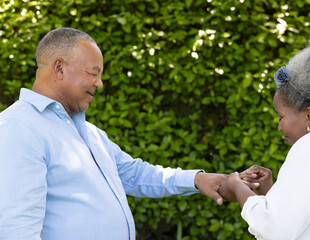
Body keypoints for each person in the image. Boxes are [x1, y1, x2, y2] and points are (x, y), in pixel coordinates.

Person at [0, 27, 228, 240]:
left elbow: (135, 174)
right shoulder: (19, 127)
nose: (99, 84)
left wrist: (197, 179)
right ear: (59, 68)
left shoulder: (90, 133)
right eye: (93, 73)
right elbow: (17, 230)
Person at [219, 46, 310, 239]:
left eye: (280, 117)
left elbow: (273, 229)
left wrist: (236, 185)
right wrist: (271, 193)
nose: (279, 127)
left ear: (309, 116)